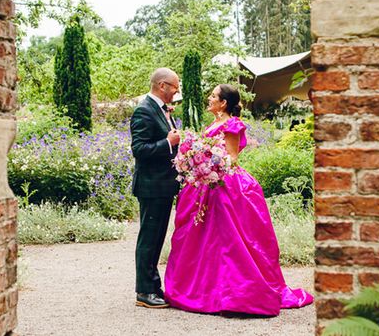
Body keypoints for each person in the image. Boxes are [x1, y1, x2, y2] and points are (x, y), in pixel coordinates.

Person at [164, 84, 313, 315]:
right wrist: (196, 164)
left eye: (213, 96)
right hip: (206, 183)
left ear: (223, 103)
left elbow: (231, 157)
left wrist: (207, 165)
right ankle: (207, 289)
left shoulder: (232, 124)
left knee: (230, 240)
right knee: (204, 239)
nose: (209, 98)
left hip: (227, 185)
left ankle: (235, 293)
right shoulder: (212, 124)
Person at [130, 67, 181, 309]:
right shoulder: (144, 110)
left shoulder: (161, 110)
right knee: (149, 240)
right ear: (162, 86)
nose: (176, 91)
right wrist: (167, 142)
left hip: (163, 185)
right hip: (151, 186)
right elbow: (139, 150)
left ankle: (153, 286)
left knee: (157, 238)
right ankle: (144, 292)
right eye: (174, 87)